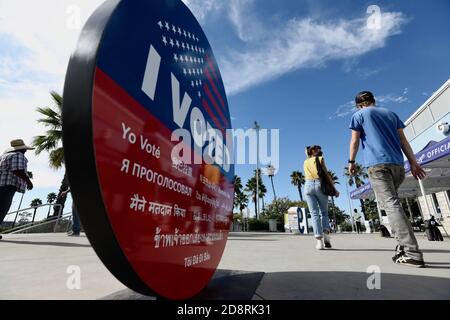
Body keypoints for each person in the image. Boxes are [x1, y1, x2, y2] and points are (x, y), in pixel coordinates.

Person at [348, 91, 426, 267]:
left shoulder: (358, 115)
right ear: (374, 101)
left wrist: (351, 162)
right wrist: (414, 163)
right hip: (398, 165)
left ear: (359, 105)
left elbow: (354, 141)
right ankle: (403, 246)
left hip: (378, 165)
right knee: (393, 204)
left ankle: (412, 253)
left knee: (391, 205)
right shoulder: (391, 114)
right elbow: (403, 141)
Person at [303, 145, 340, 249]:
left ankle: (319, 242)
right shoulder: (320, 159)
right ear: (315, 152)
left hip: (308, 186)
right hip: (320, 185)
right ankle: (326, 237)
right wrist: (334, 189)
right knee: (324, 212)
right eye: (318, 150)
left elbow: (307, 154)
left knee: (314, 214)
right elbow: (326, 174)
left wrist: (308, 151)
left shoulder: (305, 162)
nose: (320, 152)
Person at [0, 140, 34, 240]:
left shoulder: (3, 156)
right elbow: (17, 170)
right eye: (24, 149)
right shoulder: (19, 155)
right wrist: (28, 181)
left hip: (1, 184)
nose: (26, 151)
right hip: (7, 185)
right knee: (2, 208)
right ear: (22, 148)